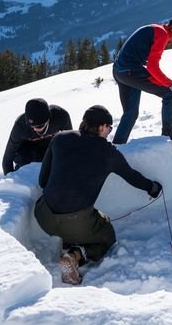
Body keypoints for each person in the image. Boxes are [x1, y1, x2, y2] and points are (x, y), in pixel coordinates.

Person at [34, 105, 163, 285]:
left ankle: (67, 242)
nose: (109, 132)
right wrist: (153, 188)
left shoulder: (59, 138)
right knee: (106, 234)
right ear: (102, 127)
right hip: (77, 221)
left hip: (43, 216)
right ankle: (74, 256)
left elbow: (43, 181)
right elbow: (131, 176)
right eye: (110, 128)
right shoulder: (108, 152)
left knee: (75, 216)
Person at [112, 16, 172, 144]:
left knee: (131, 113)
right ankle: (168, 138)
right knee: (169, 95)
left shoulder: (158, 30)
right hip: (130, 71)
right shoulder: (162, 34)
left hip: (120, 72)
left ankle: (117, 145)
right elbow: (152, 66)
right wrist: (171, 85)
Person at [2, 98, 72, 175]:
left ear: (49, 120)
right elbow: (7, 159)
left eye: (39, 126)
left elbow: (70, 144)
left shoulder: (61, 116)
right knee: (27, 169)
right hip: (27, 151)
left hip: (49, 146)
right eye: (32, 126)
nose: (35, 129)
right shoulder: (20, 126)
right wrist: (9, 181)